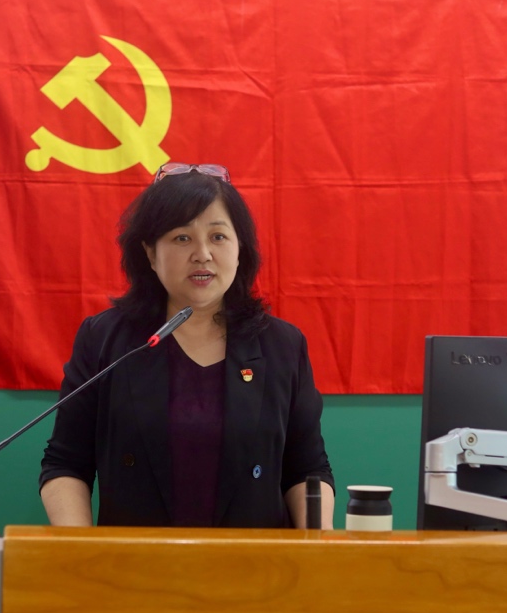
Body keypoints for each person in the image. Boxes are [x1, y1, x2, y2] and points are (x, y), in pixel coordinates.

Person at [39, 162, 334, 528]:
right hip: (136, 560)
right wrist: (80, 550)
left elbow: (307, 470)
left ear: (240, 249)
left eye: (218, 236)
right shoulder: (105, 339)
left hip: (257, 561)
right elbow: (66, 463)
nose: (202, 254)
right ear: (150, 253)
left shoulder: (282, 345)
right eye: (182, 238)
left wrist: (317, 548)